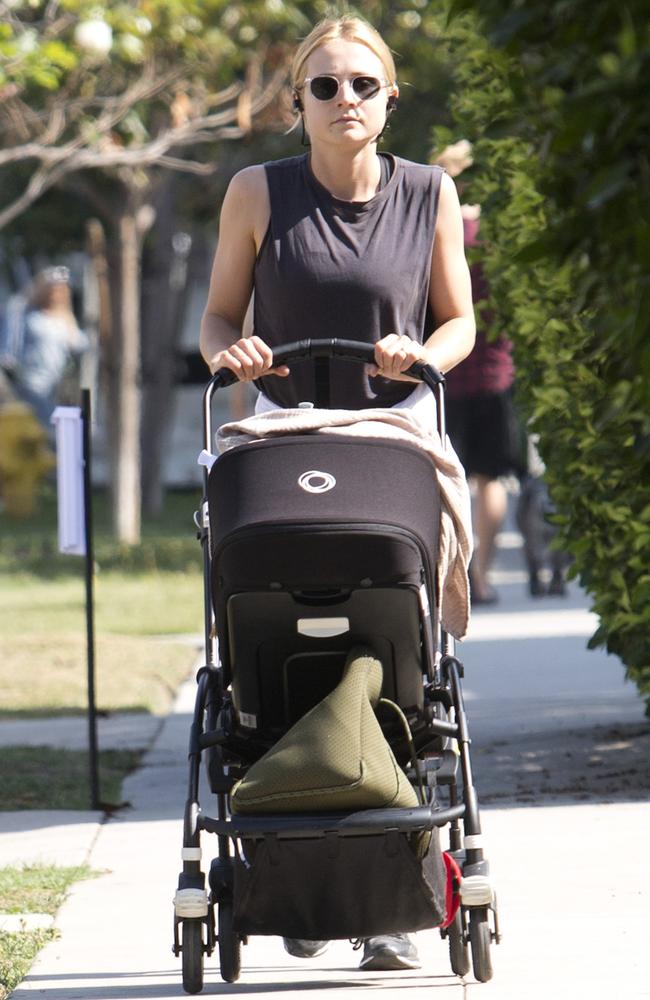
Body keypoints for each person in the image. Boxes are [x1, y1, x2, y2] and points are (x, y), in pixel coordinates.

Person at [200, 14, 476, 971]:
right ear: (298, 103)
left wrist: (420, 357)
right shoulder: (255, 193)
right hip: (283, 441)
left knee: (397, 643)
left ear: (389, 96)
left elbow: (460, 321)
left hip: (389, 438)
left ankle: (391, 897)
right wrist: (229, 352)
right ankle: (283, 859)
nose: (344, 99)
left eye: (363, 84)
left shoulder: (428, 193)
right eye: (325, 87)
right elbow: (217, 317)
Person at [433, 142, 521, 605]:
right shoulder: (497, 232)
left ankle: (453, 577)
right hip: (494, 372)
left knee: (446, 477)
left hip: (441, 370)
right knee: (490, 478)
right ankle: (481, 576)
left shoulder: (433, 224)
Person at [7, 267, 87, 429]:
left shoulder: (66, 318)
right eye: (54, 289)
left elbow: (81, 345)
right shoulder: (29, 315)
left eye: (62, 290)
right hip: (31, 382)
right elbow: (12, 348)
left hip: (57, 385)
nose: (58, 294)